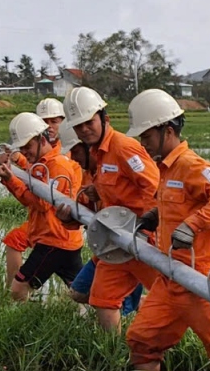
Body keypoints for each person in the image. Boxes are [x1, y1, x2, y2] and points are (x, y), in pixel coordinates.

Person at [121, 89, 210, 371]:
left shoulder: (192, 165)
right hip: (171, 277)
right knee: (140, 340)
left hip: (201, 281)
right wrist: (156, 216)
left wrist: (192, 225)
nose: (143, 144)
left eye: (147, 136)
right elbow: (179, 205)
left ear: (168, 131)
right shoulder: (165, 168)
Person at [61, 86, 160, 331]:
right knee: (102, 300)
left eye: (89, 122)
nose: (85, 129)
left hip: (141, 241)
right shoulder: (98, 154)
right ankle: (112, 350)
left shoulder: (124, 147)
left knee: (173, 298)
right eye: (79, 126)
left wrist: (147, 230)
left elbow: (154, 188)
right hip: (116, 242)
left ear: (104, 118)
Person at [0, 111, 84, 300]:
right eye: (22, 148)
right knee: (84, 293)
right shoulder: (40, 164)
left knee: (19, 288)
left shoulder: (57, 166)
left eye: (28, 146)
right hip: (62, 240)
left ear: (41, 139)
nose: (24, 151)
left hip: (54, 240)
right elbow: (29, 198)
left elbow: (42, 203)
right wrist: (9, 177)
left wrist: (10, 179)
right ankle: (134, 304)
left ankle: (17, 317)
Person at [0, 97, 67, 286]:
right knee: (15, 240)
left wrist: (11, 178)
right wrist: (19, 158)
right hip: (42, 223)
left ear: (64, 122)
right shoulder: (40, 150)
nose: (49, 126)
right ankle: (13, 291)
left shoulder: (65, 153)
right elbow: (35, 172)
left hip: (56, 226)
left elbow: (43, 198)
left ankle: (14, 292)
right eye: (45, 121)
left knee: (64, 264)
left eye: (54, 121)